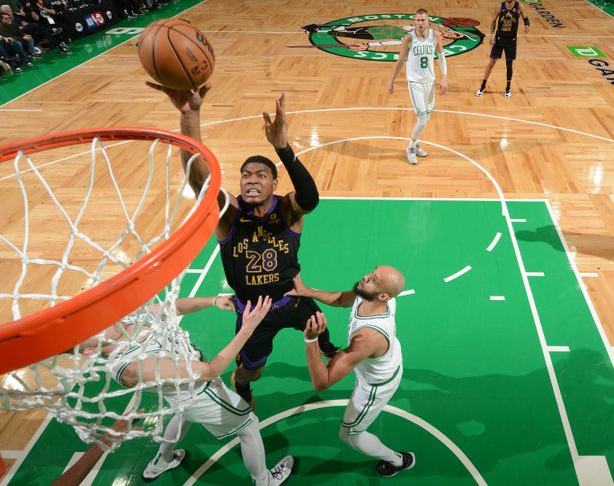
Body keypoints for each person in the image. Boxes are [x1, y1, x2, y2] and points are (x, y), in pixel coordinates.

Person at [146, 83, 338, 410]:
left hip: (292, 297)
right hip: (253, 312)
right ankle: (241, 382)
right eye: (246, 175)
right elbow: (199, 178)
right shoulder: (229, 214)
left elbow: (311, 198)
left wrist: (283, 148)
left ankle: (327, 345)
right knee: (252, 370)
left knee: (319, 323)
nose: (251, 179)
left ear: (274, 183)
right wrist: (190, 116)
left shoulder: (287, 210)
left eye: (261, 175)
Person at [76, 295, 294, 485]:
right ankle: (264, 481)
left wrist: (213, 300)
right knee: (249, 427)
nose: (98, 322)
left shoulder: (127, 322)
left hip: (180, 393)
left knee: (182, 415)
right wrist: (248, 329)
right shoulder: (132, 367)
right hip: (201, 393)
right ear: (88, 352)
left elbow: (175, 308)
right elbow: (209, 371)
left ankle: (162, 460)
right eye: (89, 330)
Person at [287, 268, 414, 477]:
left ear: (383, 296)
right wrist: (306, 290)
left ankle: (398, 461)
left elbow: (322, 383)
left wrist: (311, 339)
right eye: (371, 272)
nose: (365, 277)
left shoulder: (368, 337)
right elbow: (340, 299)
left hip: (376, 384)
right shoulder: (372, 296)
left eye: (373, 279)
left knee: (351, 435)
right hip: (381, 360)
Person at [387, 8, 448, 166]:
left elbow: (441, 56)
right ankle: (410, 148)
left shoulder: (435, 36)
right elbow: (400, 61)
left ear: (428, 21)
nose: (421, 23)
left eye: (423, 20)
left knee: (426, 119)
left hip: (430, 82)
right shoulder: (408, 38)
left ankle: (416, 143)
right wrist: (392, 80)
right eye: (418, 20)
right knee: (421, 120)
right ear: (414, 22)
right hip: (415, 83)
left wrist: (445, 77)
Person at [475, 0, 530, 98]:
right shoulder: (499, 6)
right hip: (499, 39)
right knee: (491, 63)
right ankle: (483, 85)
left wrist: (527, 25)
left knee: (509, 65)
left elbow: (526, 18)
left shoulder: (519, 6)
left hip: (511, 41)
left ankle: (508, 88)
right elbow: (493, 21)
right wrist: (491, 35)